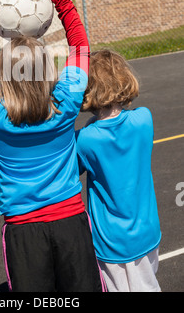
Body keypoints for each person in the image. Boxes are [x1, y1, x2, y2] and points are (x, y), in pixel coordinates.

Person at [0, 0, 105, 292]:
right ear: (50, 68)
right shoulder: (65, 103)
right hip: (70, 222)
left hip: (23, 229)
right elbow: (80, 46)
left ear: (4, 74)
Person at [76, 49, 161, 292]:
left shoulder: (85, 140)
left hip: (113, 241)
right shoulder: (145, 119)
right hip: (147, 231)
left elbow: (73, 169)